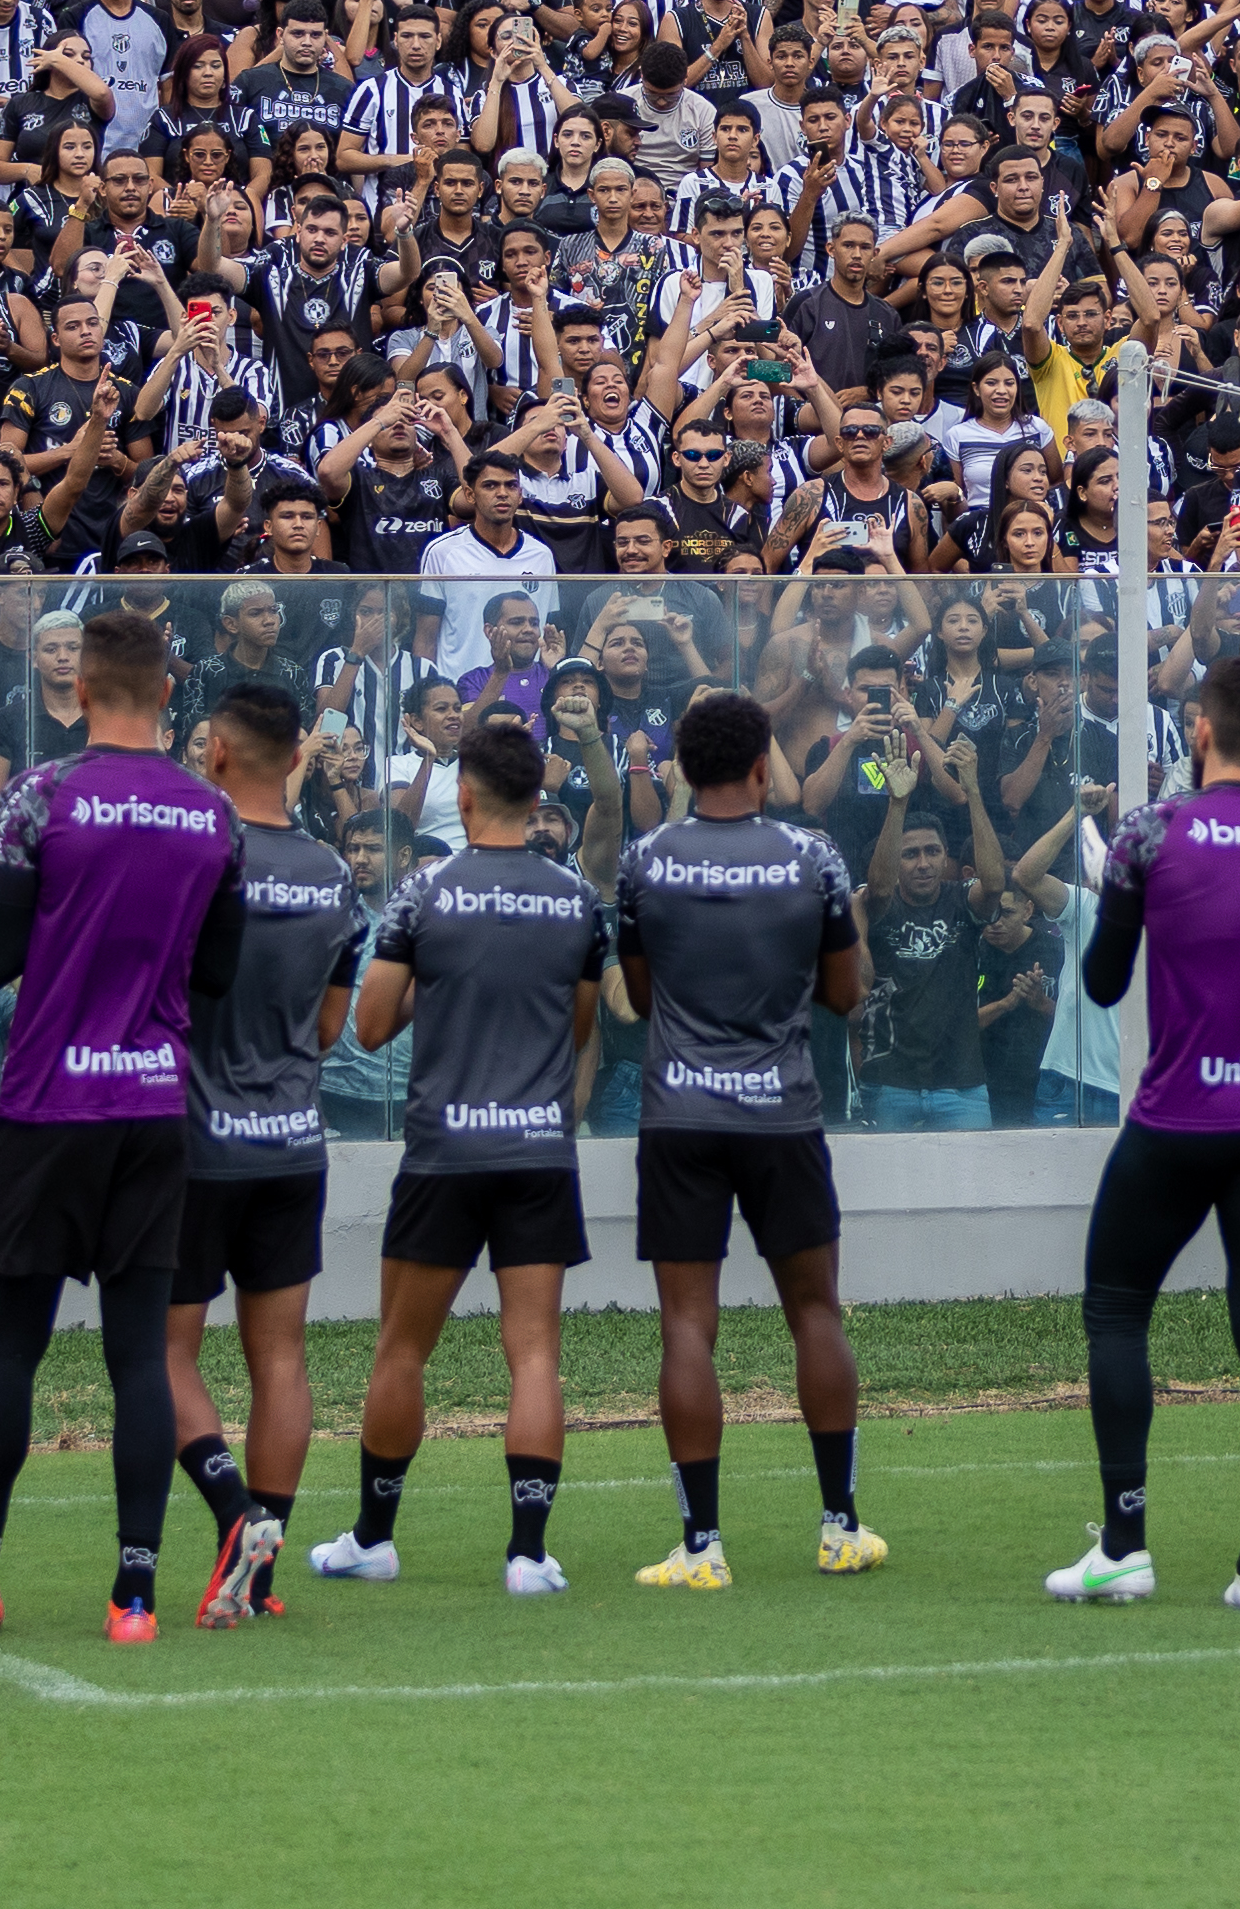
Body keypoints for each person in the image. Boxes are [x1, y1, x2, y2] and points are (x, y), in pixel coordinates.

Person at [0, 607, 251, 1643]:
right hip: (153, 1102)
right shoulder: (215, 815)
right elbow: (214, 974)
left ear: (78, 693)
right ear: (169, 693)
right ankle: (136, 1595)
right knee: (138, 1356)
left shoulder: (40, 794)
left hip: (47, 1102)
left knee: (14, 1350)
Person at [1051, 653, 1240, 1616]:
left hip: (1181, 1116)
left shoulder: (1154, 831)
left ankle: (1126, 1545)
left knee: (1116, 1308)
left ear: (1202, 731)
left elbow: (1100, 983)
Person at [316, 713, 599, 1596]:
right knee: (535, 1354)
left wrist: (436, 991)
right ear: (537, 796)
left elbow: (367, 1027)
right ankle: (526, 1554)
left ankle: (373, 1538)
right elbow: (580, 1025)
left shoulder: (422, 895)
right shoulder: (575, 898)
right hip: (539, 1150)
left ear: (465, 794)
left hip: (444, 1151)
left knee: (402, 1349)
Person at [611, 687, 886, 1588]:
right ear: (765, 765)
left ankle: (701, 1548)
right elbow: (847, 996)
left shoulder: (645, 859)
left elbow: (644, 999)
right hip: (783, 1112)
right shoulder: (813, 856)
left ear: (685, 769)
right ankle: (841, 1525)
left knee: (688, 1324)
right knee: (816, 1311)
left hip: (681, 1113)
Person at [164, 679, 363, 1626]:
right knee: (279, 1358)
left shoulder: (192, 855)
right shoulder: (333, 870)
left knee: (162, 1350)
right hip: (291, 1139)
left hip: (193, 1144)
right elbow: (331, 1024)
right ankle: (264, 1564)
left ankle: (233, 1510)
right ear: (296, 760)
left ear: (214, 754)